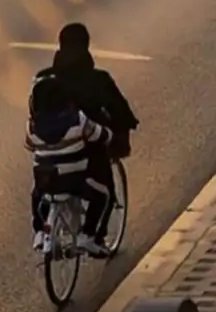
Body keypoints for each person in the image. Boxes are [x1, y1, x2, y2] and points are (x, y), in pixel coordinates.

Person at [32, 23, 139, 247]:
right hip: (88, 157)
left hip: (48, 160)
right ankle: (93, 236)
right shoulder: (99, 80)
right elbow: (119, 111)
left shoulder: (43, 81)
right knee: (106, 193)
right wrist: (121, 134)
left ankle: (41, 230)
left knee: (44, 190)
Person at [25, 75, 115, 257]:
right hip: (75, 183)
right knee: (103, 195)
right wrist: (108, 134)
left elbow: (29, 145)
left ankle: (40, 231)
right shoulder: (78, 120)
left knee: (38, 193)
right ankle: (87, 235)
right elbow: (101, 135)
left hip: (47, 181)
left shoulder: (32, 127)